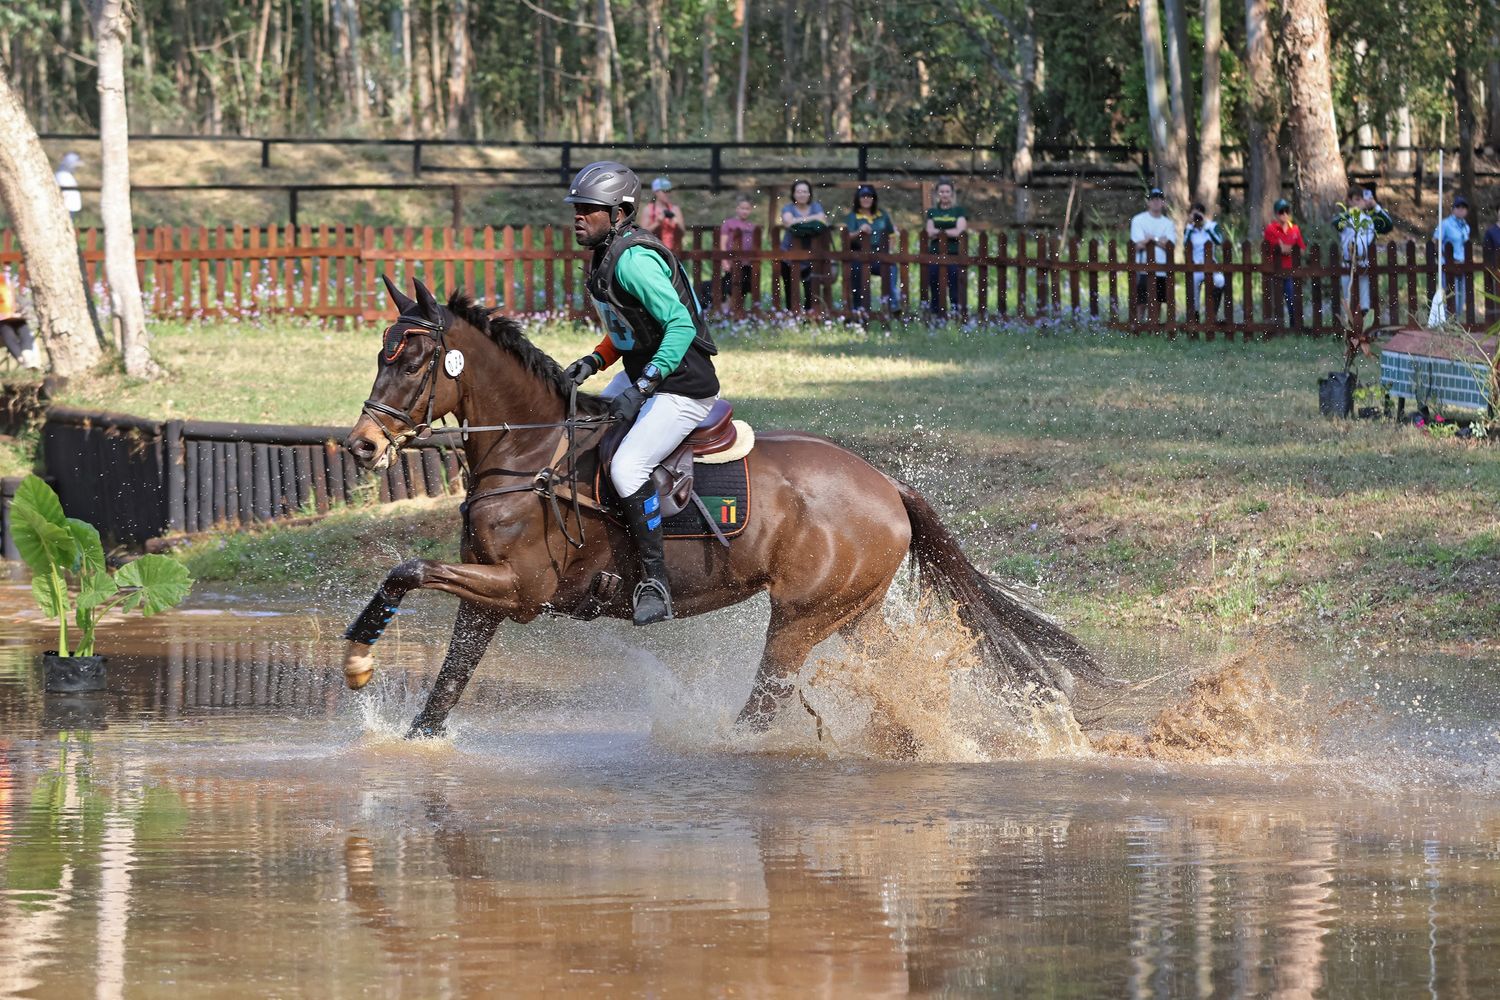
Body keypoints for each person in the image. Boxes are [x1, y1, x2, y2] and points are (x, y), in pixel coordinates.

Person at [560, 161, 720, 626]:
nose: (579, 216)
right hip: (646, 371)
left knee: (629, 466)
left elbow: (679, 325)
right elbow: (630, 330)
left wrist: (644, 387)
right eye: (578, 208)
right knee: (580, 429)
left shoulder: (633, 259)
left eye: (590, 209)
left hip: (683, 386)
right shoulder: (607, 255)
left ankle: (654, 581)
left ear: (619, 213)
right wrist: (594, 360)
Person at [1334, 186, 1393, 326]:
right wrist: (1354, 210)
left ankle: (1364, 332)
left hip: (1363, 265)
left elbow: (1388, 226)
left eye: (1362, 199)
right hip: (1347, 265)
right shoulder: (1345, 217)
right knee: (1348, 299)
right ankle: (1348, 331)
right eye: (1356, 199)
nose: (1360, 202)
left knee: (1365, 301)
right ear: (1349, 201)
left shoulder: (1369, 220)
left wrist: (1375, 206)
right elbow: (1336, 224)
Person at [843, 184, 899, 313]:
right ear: (858, 199)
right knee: (857, 273)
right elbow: (846, 237)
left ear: (874, 199)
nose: (866, 199)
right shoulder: (853, 216)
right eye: (863, 196)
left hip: (879, 256)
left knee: (891, 267)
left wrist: (889, 251)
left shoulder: (882, 215)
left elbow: (891, 235)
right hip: (859, 255)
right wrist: (859, 231)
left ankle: (893, 304)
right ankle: (859, 308)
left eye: (869, 196)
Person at [779, 179, 829, 310]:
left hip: (811, 256)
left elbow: (823, 219)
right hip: (788, 256)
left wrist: (798, 221)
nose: (802, 194)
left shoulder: (816, 206)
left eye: (805, 191)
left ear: (809, 194)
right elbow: (788, 222)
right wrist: (812, 219)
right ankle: (792, 317)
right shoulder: (787, 208)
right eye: (798, 191)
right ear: (793, 194)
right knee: (790, 290)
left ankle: (808, 318)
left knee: (811, 291)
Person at [1129, 188, 1176, 322]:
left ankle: (1154, 327)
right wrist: (1158, 240)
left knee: (1158, 300)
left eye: (1159, 199)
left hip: (1162, 268)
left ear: (1163, 203)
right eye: (1153, 199)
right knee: (1141, 301)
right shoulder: (1138, 220)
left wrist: (1152, 239)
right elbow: (1138, 244)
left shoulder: (1168, 223)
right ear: (1148, 202)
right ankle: (1137, 326)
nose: (1156, 202)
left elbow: (1169, 245)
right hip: (1142, 266)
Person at [923, 178, 967, 317]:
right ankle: (936, 315)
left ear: (952, 194)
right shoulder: (932, 212)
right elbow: (929, 232)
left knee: (955, 286)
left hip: (954, 254)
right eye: (941, 191)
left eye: (947, 191)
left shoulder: (959, 211)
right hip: (935, 254)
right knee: (935, 284)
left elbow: (960, 231)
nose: (945, 194)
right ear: (937, 194)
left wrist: (941, 232)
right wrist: (949, 232)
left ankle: (956, 314)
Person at [1262, 198, 1306, 327]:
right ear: (1276, 214)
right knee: (1275, 303)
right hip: (1274, 271)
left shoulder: (1295, 229)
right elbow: (1281, 249)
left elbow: (1302, 250)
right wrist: (1292, 248)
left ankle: (1294, 328)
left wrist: (1288, 248)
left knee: (1292, 300)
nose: (1285, 214)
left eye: (1287, 211)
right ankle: (1276, 329)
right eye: (1281, 211)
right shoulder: (1271, 229)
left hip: (1290, 271)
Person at [1184, 202, 1224, 322]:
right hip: (1195, 265)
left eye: (1199, 213)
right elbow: (1185, 244)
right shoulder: (1189, 229)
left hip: (1210, 264)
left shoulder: (1212, 226)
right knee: (1193, 287)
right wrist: (1191, 226)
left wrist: (1205, 226)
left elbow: (1219, 241)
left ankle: (1212, 314)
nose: (1197, 217)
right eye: (1194, 214)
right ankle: (1194, 317)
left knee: (1220, 281)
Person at [716, 196, 757, 306]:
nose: (744, 211)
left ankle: (739, 311)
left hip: (747, 263)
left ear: (750, 210)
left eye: (747, 209)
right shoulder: (729, 224)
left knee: (744, 287)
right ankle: (728, 311)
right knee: (731, 287)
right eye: (742, 208)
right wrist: (724, 260)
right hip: (732, 261)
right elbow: (723, 243)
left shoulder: (751, 226)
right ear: (737, 209)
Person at [1434, 195, 1471, 318]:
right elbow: (1435, 241)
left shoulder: (1466, 226)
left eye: (1464, 207)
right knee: (1449, 295)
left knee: (1461, 295)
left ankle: (1458, 321)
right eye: (1458, 207)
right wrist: (1441, 258)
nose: (1461, 209)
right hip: (1449, 264)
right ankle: (1446, 321)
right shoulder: (1445, 224)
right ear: (1453, 209)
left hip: (1463, 265)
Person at [0, 274, 39, 369]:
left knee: (22, 325)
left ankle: (27, 355)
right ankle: (23, 359)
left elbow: (15, 301)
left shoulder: (5, 281)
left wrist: (17, 311)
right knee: (6, 330)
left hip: (11, 318)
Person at [639, 177, 685, 253]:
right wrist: (657, 223)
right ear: (656, 192)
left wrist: (677, 224)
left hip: (673, 253)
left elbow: (682, 234)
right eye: (664, 191)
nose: (668, 194)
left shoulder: (675, 210)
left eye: (669, 191)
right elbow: (642, 235)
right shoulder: (648, 210)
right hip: (654, 252)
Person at [54, 152, 82, 216]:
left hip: (70, 207)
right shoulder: (62, 175)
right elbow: (64, 193)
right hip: (67, 208)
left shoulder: (66, 175)